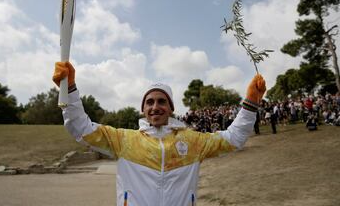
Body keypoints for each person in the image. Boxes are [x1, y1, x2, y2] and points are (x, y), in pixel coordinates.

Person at [52, 61, 266, 206]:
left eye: (162, 101)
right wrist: (69, 90)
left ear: (171, 108)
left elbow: (234, 138)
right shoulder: (124, 140)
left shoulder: (193, 142)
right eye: (150, 102)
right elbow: (81, 128)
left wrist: (251, 104)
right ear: (143, 109)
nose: (155, 106)